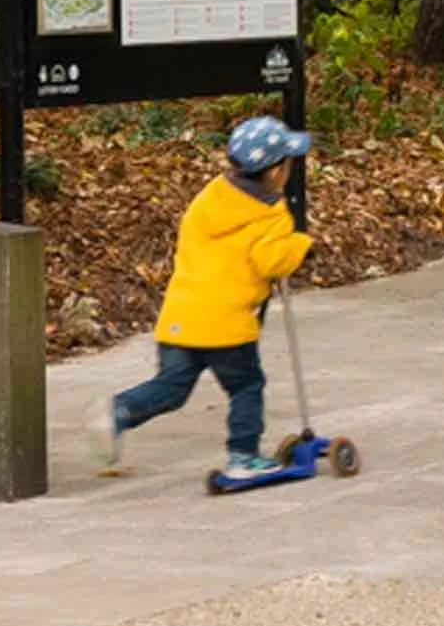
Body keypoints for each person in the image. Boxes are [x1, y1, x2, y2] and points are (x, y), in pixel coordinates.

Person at [88, 115, 313, 480]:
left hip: (181, 315)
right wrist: (301, 245)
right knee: (246, 385)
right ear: (275, 173)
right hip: (227, 325)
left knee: (172, 387)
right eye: (288, 162)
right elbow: (271, 261)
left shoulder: (210, 197)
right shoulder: (271, 214)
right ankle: (243, 457)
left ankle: (119, 411)